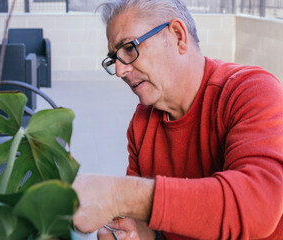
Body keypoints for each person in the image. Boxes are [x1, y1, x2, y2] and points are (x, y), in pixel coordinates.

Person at [72, 0, 283, 239]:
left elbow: (258, 207)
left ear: (178, 36)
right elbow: (147, 223)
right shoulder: (142, 123)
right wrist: (132, 232)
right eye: (114, 59)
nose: (120, 71)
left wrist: (117, 194)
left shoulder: (251, 91)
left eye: (129, 49)